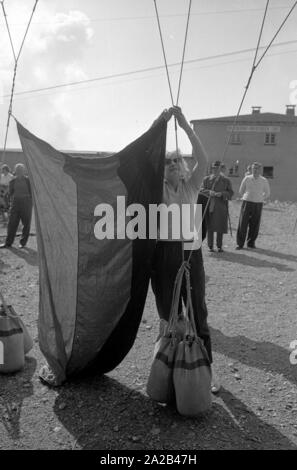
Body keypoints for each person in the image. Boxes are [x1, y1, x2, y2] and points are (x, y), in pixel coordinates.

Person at [150, 106, 219, 393]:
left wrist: (185, 125)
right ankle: (170, 372)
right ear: (162, 168)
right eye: (169, 161)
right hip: (163, 255)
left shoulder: (192, 187)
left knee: (197, 312)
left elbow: (202, 157)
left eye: (178, 160)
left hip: (191, 254)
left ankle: (205, 371)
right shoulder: (155, 188)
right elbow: (144, 156)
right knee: (169, 314)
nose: (175, 164)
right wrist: (162, 123)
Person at [200, 161, 234, 252]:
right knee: (209, 226)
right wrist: (209, 192)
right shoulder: (206, 179)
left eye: (218, 168)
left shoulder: (226, 180)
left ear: (221, 169)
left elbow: (230, 193)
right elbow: (201, 189)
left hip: (220, 206)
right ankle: (210, 246)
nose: (216, 170)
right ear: (212, 169)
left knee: (220, 226)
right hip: (209, 205)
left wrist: (222, 194)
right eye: (214, 168)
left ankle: (219, 246)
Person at [236, 161, 270, 249]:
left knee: (255, 224)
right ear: (251, 169)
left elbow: (267, 193)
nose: (255, 170)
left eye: (257, 168)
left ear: (260, 170)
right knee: (242, 223)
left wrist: (261, 198)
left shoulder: (264, 180)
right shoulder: (247, 178)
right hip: (247, 202)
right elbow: (241, 190)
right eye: (254, 168)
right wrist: (247, 196)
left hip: (258, 204)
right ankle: (240, 244)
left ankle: (251, 243)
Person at [0, 163, 33, 249]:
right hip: (15, 203)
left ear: (24, 171)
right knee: (12, 223)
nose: (19, 172)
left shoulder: (28, 181)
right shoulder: (12, 181)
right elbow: (10, 194)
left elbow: (32, 193)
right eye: (18, 170)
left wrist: (30, 203)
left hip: (26, 203)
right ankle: (8, 242)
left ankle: (23, 242)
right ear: (16, 171)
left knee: (26, 223)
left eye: (21, 170)